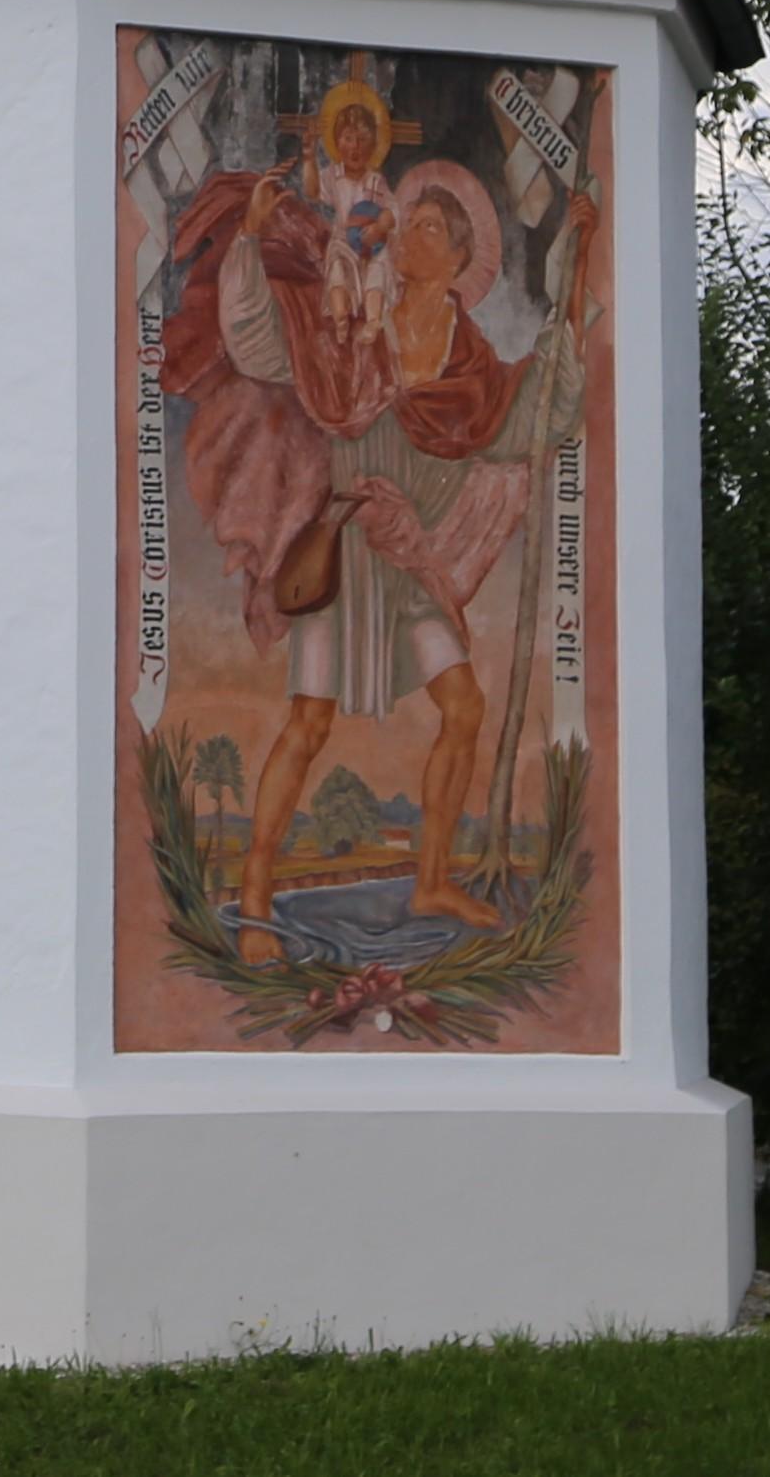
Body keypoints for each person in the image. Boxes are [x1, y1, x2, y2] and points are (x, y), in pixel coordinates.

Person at [161, 150, 584, 961]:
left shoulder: (466, 360)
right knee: (308, 721)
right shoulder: (355, 322)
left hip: (408, 555)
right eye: (407, 222)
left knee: (463, 706)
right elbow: (261, 346)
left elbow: (528, 415)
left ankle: (429, 878)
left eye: (426, 228)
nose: (406, 235)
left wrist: (572, 299)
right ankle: (256, 892)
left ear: (457, 260)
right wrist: (248, 241)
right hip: (343, 545)